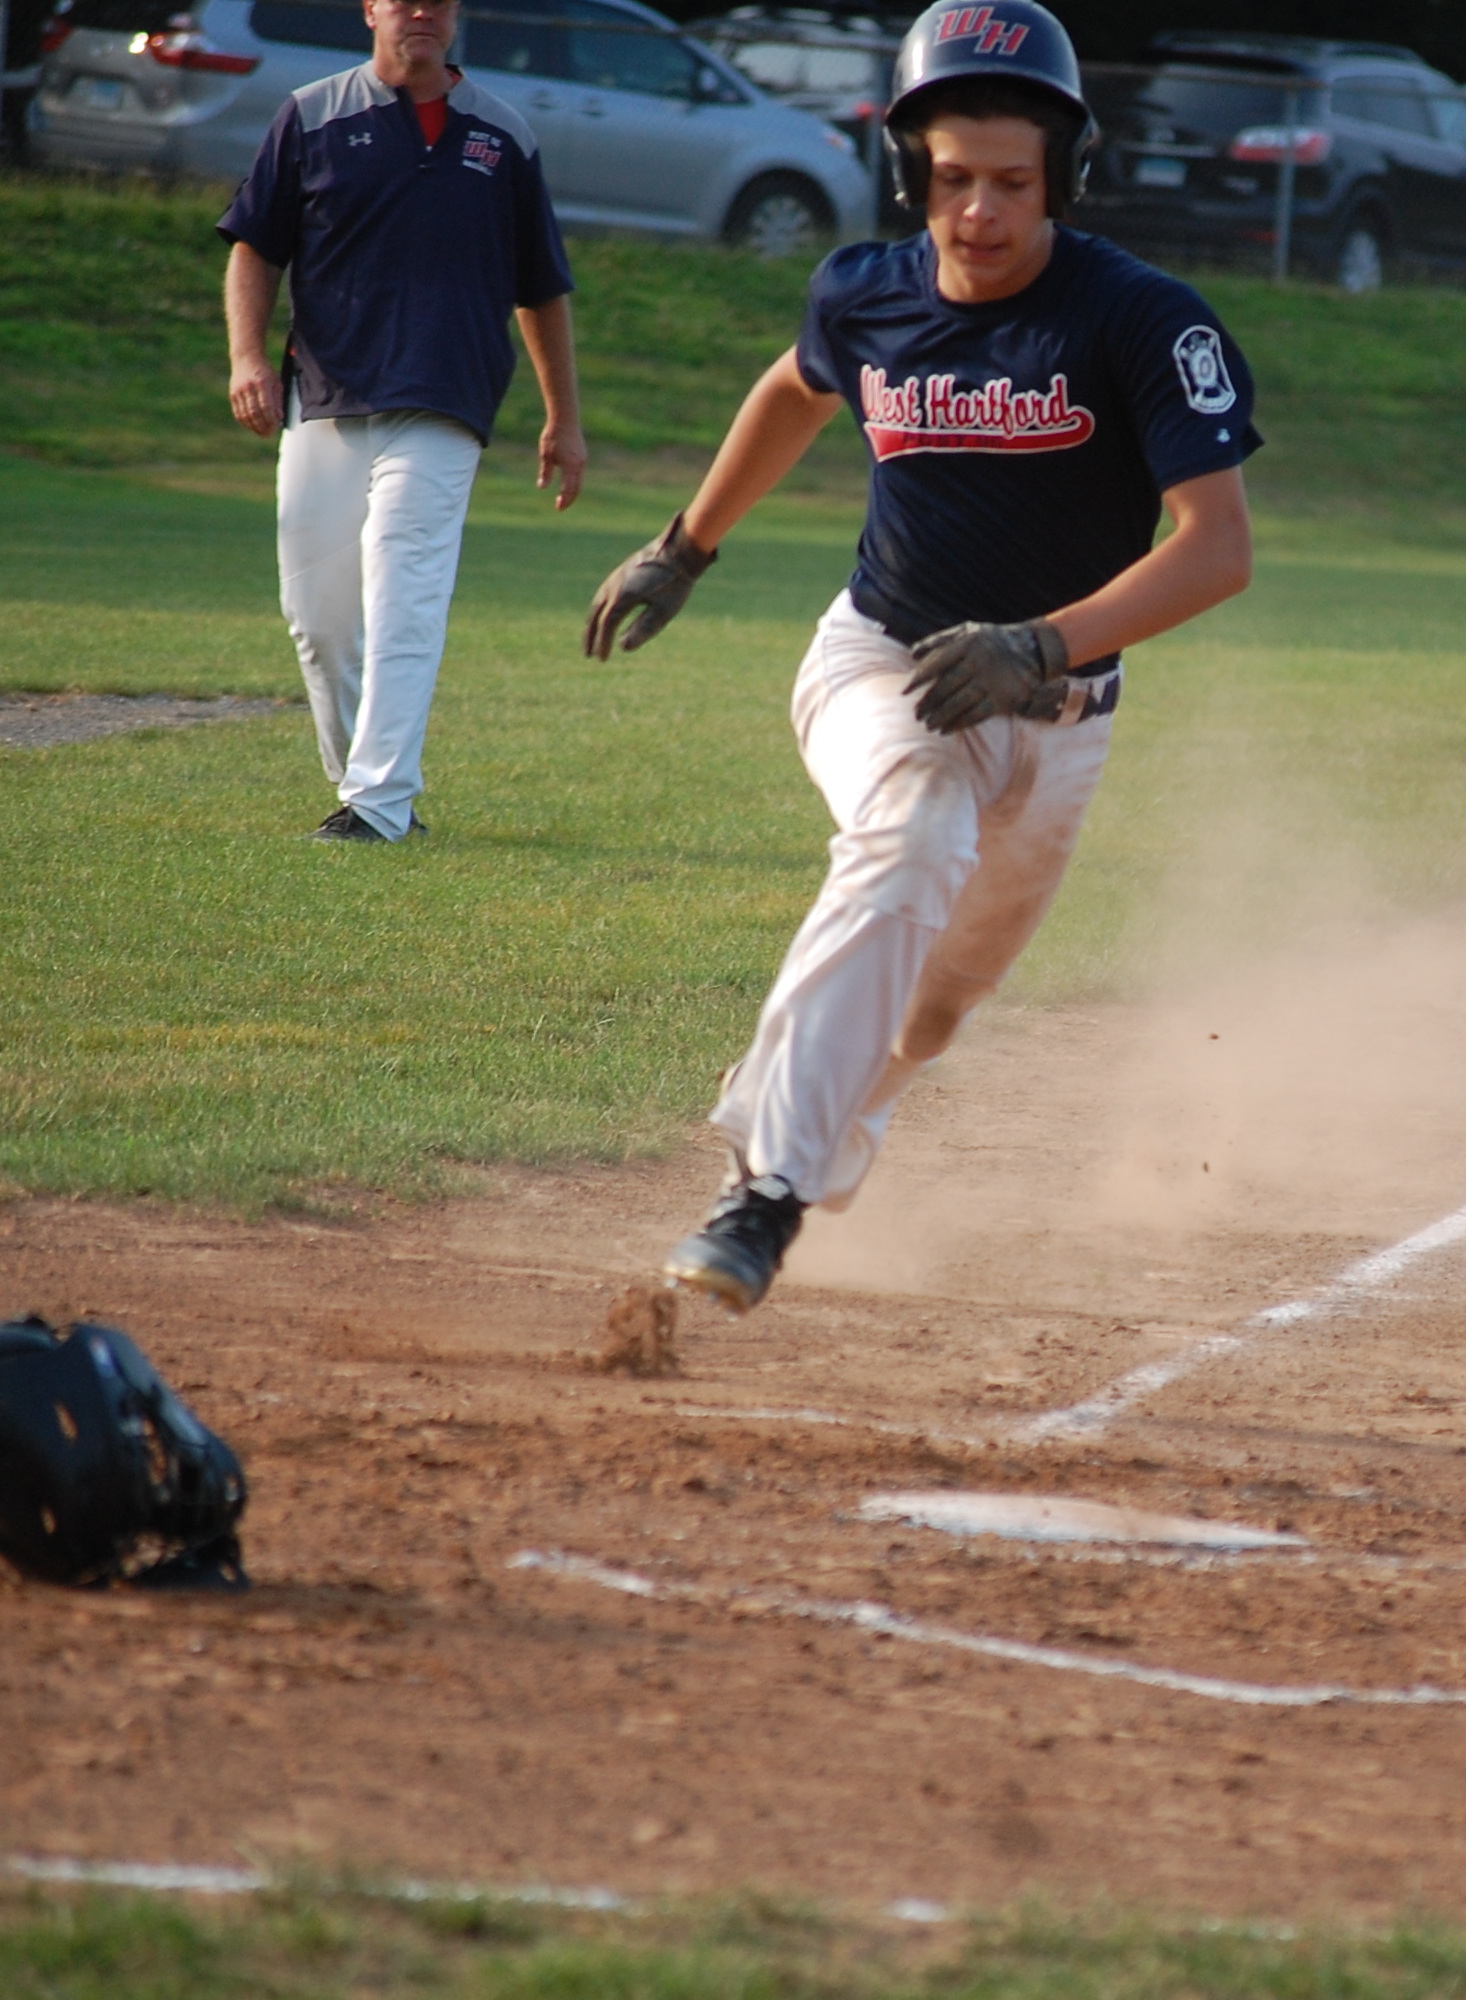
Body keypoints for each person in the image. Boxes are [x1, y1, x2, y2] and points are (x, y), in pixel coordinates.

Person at [580, 0, 1258, 1310]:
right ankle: (763, 1193)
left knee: (937, 1014)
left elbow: (1217, 548)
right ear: (911, 175)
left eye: (1014, 181)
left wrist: (1041, 642)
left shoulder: (1137, 319)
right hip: (888, 666)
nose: (983, 211)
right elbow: (795, 386)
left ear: (1066, 174)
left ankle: (807, 1107)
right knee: (910, 835)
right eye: (954, 180)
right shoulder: (866, 291)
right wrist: (685, 545)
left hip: (1061, 709)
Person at [218, 0, 588, 843]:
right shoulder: (310, 116)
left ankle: (378, 804)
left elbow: (541, 286)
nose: (423, 10)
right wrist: (246, 360)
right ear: (371, 8)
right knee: (319, 621)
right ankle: (366, 787)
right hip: (325, 396)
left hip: (444, 399)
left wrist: (564, 418)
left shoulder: (504, 135)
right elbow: (254, 247)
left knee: (402, 593)